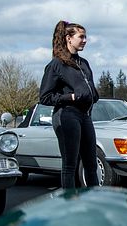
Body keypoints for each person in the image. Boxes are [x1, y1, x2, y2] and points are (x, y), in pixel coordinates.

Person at [39, 21, 100, 189]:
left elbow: (88, 88)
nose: (85, 40)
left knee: (91, 164)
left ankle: (95, 199)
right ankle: (69, 203)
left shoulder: (84, 63)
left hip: (84, 115)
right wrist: (71, 97)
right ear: (68, 38)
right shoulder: (57, 64)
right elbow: (45, 97)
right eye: (81, 37)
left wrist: (93, 94)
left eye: (85, 37)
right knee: (70, 164)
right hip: (66, 115)